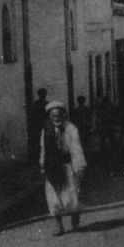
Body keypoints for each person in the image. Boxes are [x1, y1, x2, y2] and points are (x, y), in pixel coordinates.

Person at [40, 101, 86, 236]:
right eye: (53, 116)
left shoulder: (70, 128)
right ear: (50, 117)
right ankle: (59, 226)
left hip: (67, 166)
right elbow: (43, 149)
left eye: (59, 115)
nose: (57, 119)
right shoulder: (46, 130)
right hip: (52, 166)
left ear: (64, 115)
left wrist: (79, 166)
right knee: (53, 197)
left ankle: (75, 213)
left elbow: (76, 149)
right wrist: (42, 164)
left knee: (71, 194)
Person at [28, 88, 49, 163]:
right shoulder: (36, 103)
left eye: (44, 94)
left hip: (45, 125)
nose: (43, 95)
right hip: (38, 125)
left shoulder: (47, 103)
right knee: (39, 141)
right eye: (41, 94)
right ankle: (39, 158)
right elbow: (34, 114)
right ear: (39, 95)